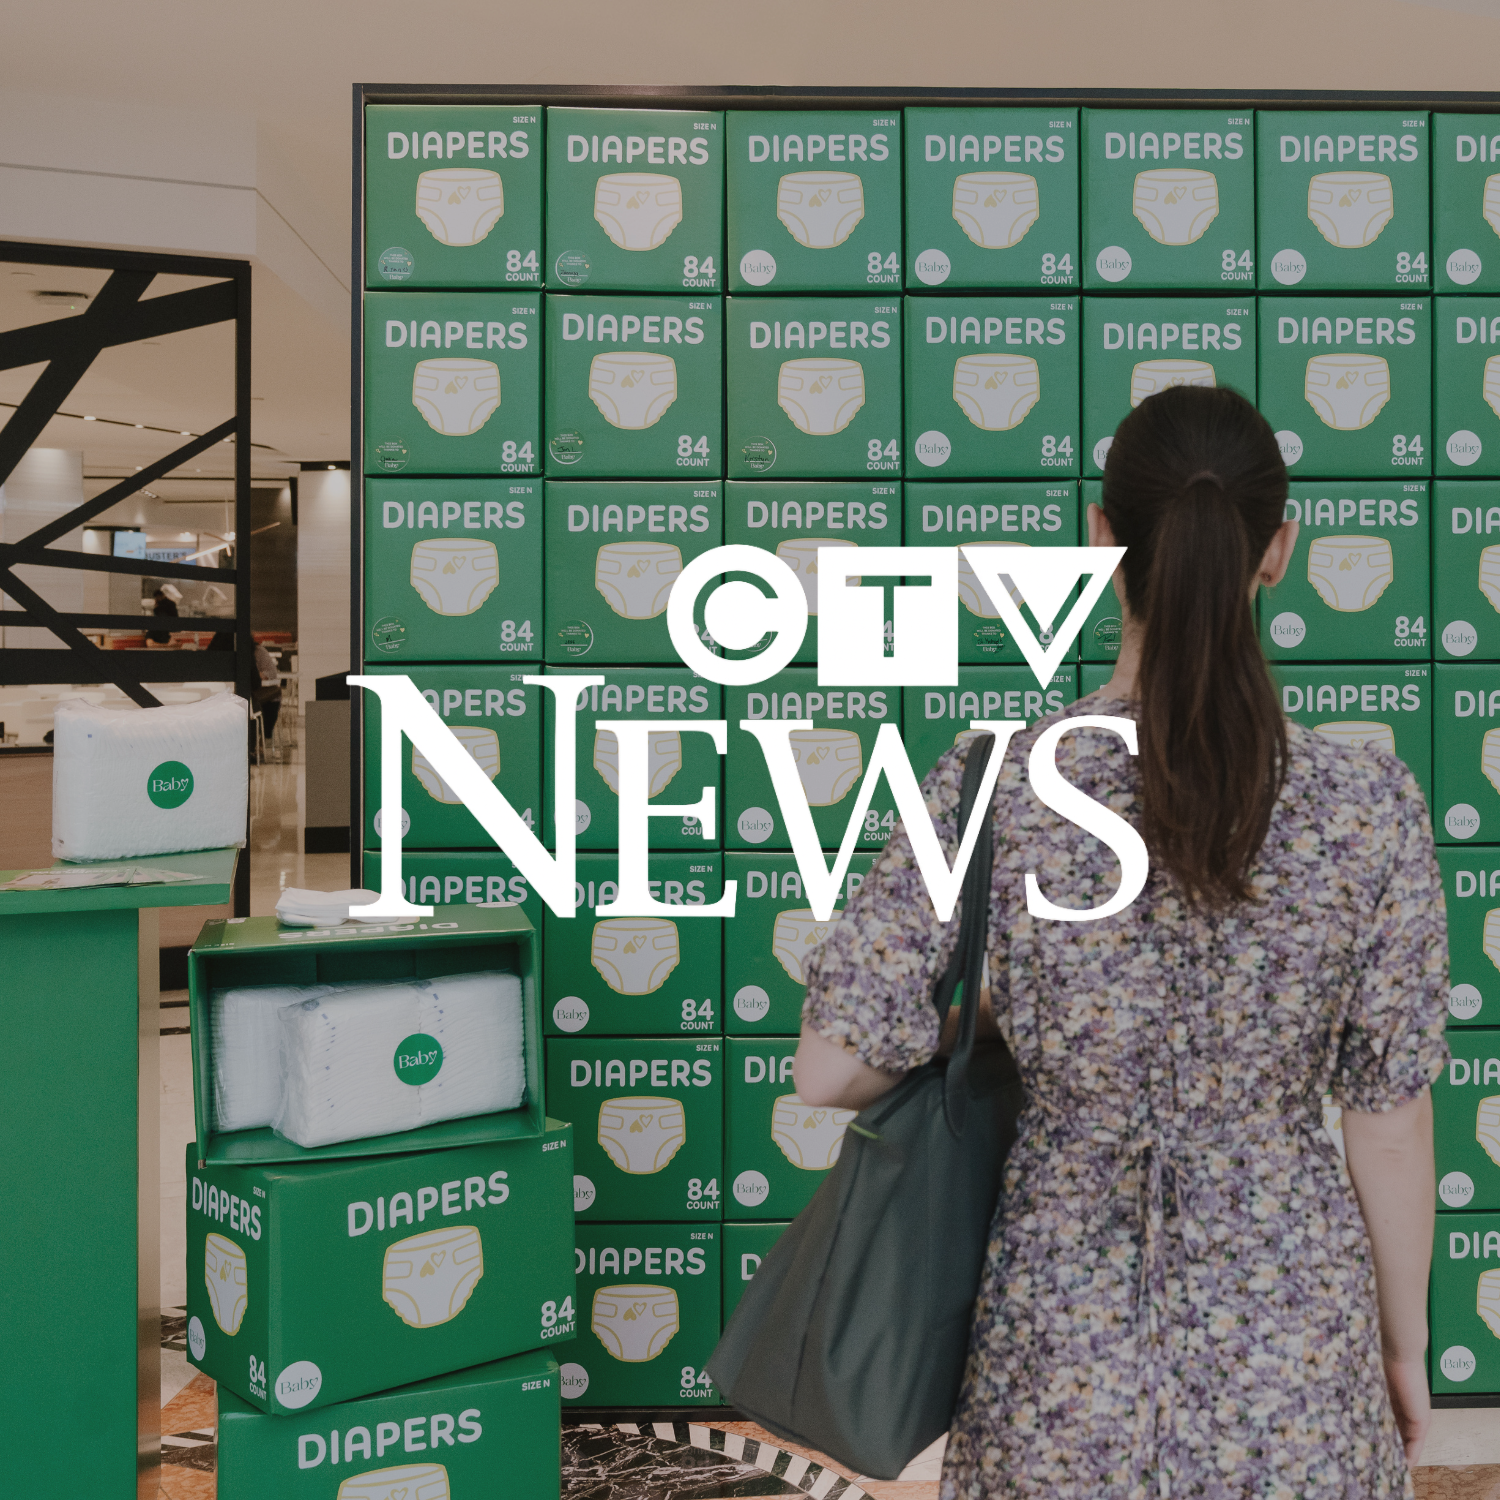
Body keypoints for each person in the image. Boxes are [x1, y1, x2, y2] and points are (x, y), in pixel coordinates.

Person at [793, 385, 1447, 1500]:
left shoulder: (994, 783)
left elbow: (828, 1070)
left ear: (1101, 540)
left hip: (1058, 1359)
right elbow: (1388, 1125)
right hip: (1294, 1358)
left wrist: (1001, 1012)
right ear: (1277, 551)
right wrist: (1401, 1348)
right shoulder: (1368, 804)